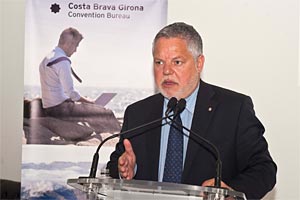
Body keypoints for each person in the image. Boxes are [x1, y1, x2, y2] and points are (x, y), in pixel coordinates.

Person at [106, 22, 277, 199]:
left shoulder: (234, 109)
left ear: (199, 63)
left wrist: (230, 191)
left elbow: (264, 169)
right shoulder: (138, 113)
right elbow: (117, 163)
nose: (166, 71)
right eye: (159, 62)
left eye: (177, 62)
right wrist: (124, 169)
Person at [38, 27, 120, 142]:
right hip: (61, 109)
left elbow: (59, 91)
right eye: (76, 45)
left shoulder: (47, 58)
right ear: (69, 44)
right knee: (107, 112)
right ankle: (121, 137)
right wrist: (89, 102)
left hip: (49, 108)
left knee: (90, 108)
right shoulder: (62, 61)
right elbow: (70, 93)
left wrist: (83, 101)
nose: (75, 50)